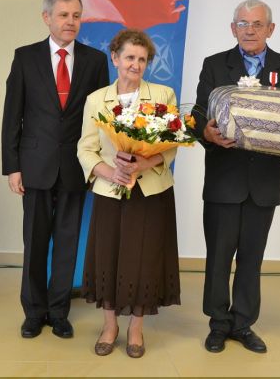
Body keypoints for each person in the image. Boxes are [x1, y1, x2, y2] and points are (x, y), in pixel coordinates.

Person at [193, 0, 280, 354]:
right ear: (233, 28)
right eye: (243, 23)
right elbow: (198, 112)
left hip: (265, 181)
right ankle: (218, 323)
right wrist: (206, 133)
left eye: (257, 24)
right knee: (218, 257)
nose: (250, 30)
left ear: (271, 29)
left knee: (252, 259)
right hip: (224, 178)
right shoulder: (214, 65)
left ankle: (243, 324)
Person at [1, 0, 109, 340]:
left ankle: (59, 312)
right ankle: (34, 312)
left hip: (76, 166)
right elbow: (12, 115)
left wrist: (96, 164)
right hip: (34, 165)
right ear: (46, 17)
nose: (70, 22)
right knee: (34, 243)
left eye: (76, 16)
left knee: (67, 242)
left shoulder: (95, 61)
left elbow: (100, 120)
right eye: (63, 15)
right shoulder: (25, 57)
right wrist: (12, 167)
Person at [77, 29, 181, 358]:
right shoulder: (96, 99)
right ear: (115, 58)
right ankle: (110, 326)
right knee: (108, 257)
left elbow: (171, 146)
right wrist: (112, 172)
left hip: (150, 192)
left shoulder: (163, 94)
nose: (135, 64)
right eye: (130, 57)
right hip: (110, 190)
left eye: (142, 59)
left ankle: (136, 328)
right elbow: (85, 149)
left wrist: (142, 164)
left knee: (144, 260)